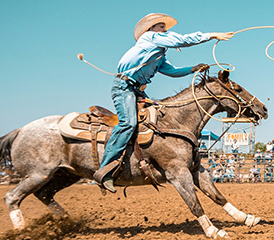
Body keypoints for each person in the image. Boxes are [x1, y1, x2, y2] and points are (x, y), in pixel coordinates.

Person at [93, 13, 234, 193]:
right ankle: (105, 170)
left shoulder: (158, 55)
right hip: (124, 88)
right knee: (128, 123)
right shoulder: (150, 37)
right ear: (151, 29)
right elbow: (181, 40)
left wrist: (192, 69)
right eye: (161, 26)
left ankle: (145, 161)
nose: (165, 29)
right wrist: (211, 35)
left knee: (159, 118)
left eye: (164, 27)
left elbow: (171, 71)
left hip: (135, 90)